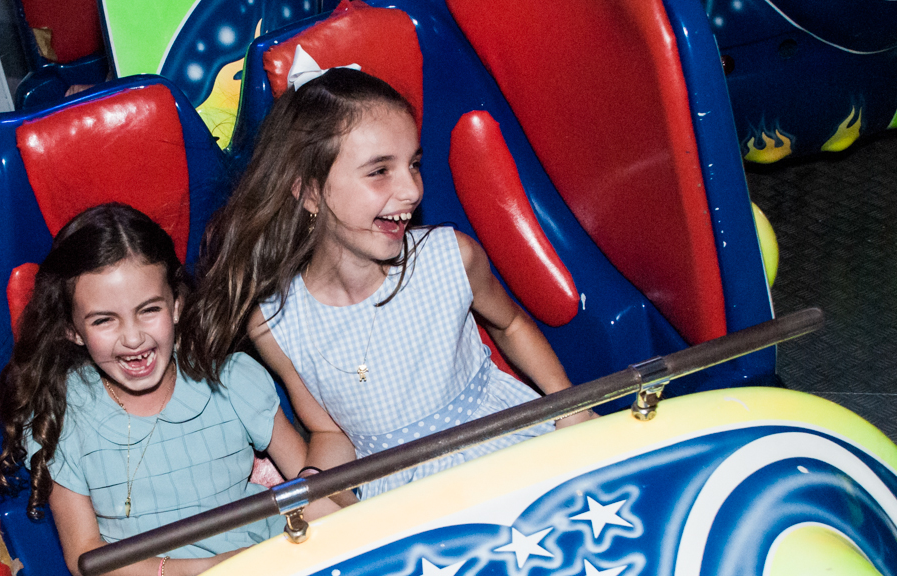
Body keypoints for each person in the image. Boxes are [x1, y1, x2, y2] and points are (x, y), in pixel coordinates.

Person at [180, 55, 591, 498]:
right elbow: (331, 434)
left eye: (413, 164)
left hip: (501, 441)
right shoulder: (275, 322)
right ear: (311, 191)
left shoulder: (450, 256)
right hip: (400, 489)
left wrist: (568, 402)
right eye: (380, 171)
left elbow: (509, 323)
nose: (412, 190)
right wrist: (318, 487)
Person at [0, 202, 317, 576]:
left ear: (177, 305)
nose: (132, 338)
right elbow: (86, 557)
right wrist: (192, 574)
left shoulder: (231, 377)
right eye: (104, 320)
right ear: (71, 330)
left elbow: (312, 489)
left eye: (149, 310)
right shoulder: (62, 413)